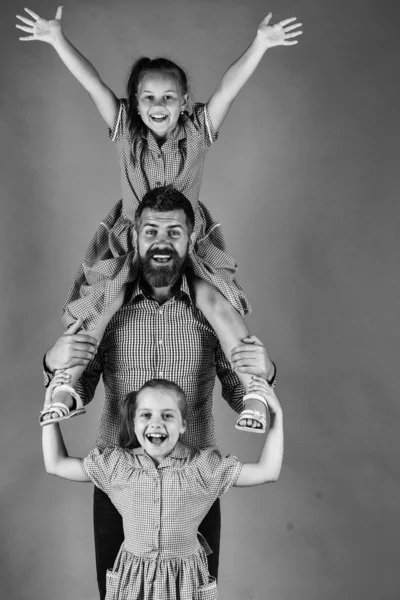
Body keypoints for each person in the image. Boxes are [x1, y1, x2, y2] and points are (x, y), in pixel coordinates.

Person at [17, 5, 302, 432]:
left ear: (185, 101)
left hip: (186, 237)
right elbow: (92, 84)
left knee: (215, 303)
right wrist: (58, 40)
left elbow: (228, 88)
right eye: (148, 97)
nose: (158, 105)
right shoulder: (126, 134)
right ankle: (67, 383)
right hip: (136, 239)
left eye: (169, 97)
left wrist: (259, 45)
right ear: (134, 102)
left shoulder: (197, 134)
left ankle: (255, 389)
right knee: (107, 302)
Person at [41, 186, 277, 599]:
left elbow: (241, 392)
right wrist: (51, 364)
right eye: (151, 232)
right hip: (119, 485)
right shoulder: (107, 309)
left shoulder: (211, 310)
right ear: (134, 238)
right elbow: (78, 385)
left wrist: (265, 372)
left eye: (174, 233)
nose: (162, 243)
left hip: (196, 485)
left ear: (190, 239)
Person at [42, 372, 284, 600]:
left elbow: (267, 472)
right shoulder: (116, 466)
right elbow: (56, 464)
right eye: (146, 415)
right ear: (134, 423)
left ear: (183, 425)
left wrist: (277, 417)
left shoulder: (203, 468)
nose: (156, 423)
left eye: (167, 415)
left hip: (186, 581)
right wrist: (49, 407)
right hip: (132, 581)